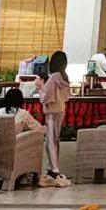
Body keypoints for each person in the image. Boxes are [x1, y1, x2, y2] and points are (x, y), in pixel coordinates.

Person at [36, 51, 70, 182]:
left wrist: (40, 88)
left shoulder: (53, 78)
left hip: (51, 112)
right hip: (61, 110)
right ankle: (53, 167)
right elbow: (67, 97)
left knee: (50, 141)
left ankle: (54, 169)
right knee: (55, 139)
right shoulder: (64, 77)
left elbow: (45, 97)